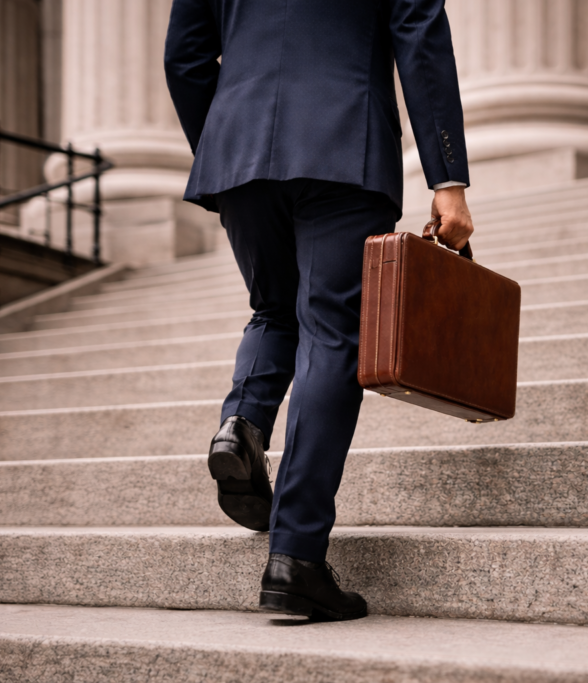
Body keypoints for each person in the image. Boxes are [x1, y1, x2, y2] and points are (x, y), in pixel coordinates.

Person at [164, 0, 473, 621]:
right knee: (332, 334)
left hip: (239, 150)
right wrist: (448, 181)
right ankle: (296, 558)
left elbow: (185, 58)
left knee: (274, 310)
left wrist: (227, 141)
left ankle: (241, 425)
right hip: (343, 141)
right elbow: (418, 35)